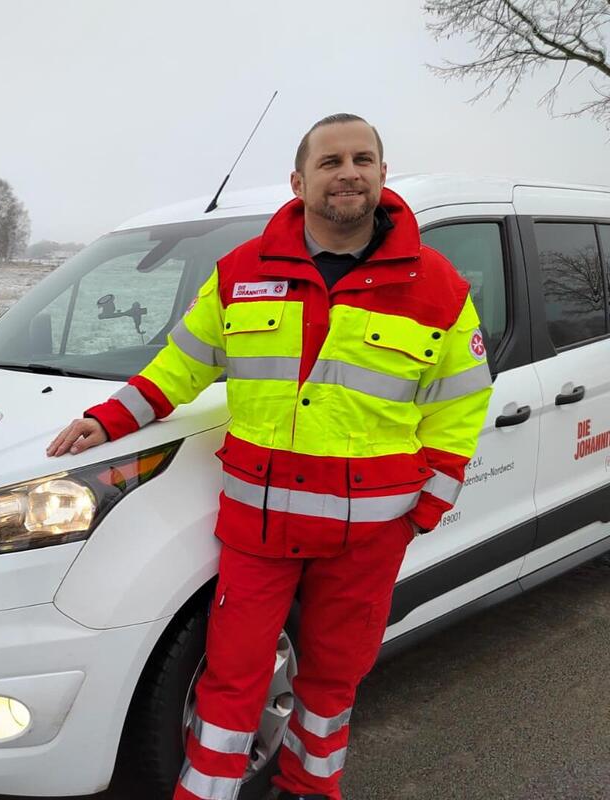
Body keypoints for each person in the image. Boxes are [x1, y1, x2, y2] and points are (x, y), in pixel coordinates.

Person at [46, 113, 494, 800]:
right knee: (231, 679)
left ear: (382, 174)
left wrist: (423, 508)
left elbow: (460, 405)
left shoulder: (436, 286)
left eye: (362, 160)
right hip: (260, 528)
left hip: (368, 536)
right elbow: (181, 367)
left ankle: (310, 790)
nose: (348, 173)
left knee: (332, 684)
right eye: (330, 162)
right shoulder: (243, 273)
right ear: (299, 181)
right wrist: (110, 418)